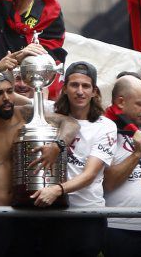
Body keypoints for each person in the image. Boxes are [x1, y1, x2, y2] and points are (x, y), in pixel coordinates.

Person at [0, 48, 79, 257]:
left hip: (21, 216)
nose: (7, 98)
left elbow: (70, 123)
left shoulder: (23, 114)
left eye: (9, 91)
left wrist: (57, 146)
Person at [33, 61, 116, 257]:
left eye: (86, 86)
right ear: (64, 89)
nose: (80, 91)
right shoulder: (48, 112)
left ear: (94, 91)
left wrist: (57, 190)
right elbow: (15, 102)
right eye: (74, 85)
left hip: (87, 215)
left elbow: (89, 175)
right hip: (50, 212)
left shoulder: (105, 126)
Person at [103, 76, 141, 257]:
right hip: (117, 226)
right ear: (120, 102)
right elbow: (108, 183)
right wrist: (137, 154)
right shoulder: (106, 131)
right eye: (140, 104)